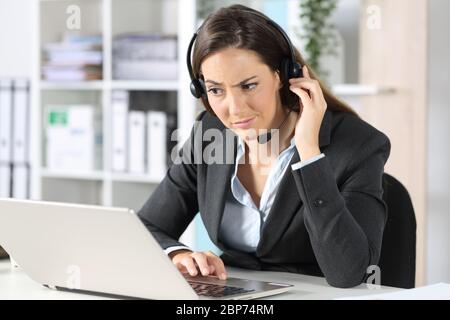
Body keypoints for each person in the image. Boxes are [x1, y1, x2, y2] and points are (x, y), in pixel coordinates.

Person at [137, 4, 390, 288]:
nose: (234, 109)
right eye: (216, 90)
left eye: (248, 86)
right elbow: (148, 226)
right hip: (237, 296)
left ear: (283, 75)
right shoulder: (210, 133)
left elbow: (348, 273)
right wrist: (178, 253)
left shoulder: (359, 146)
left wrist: (309, 154)